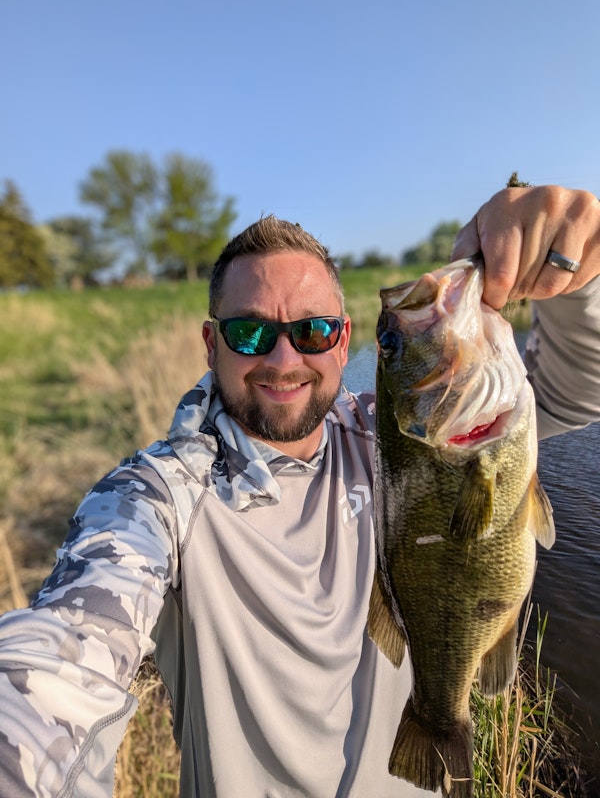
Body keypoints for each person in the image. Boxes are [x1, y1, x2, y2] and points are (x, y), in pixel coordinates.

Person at [0, 185, 599, 798]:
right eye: (250, 332)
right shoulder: (155, 498)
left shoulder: (390, 436)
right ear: (211, 344)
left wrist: (574, 277)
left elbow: (580, 390)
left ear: (344, 342)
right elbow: (57, 659)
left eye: (312, 331)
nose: (284, 359)